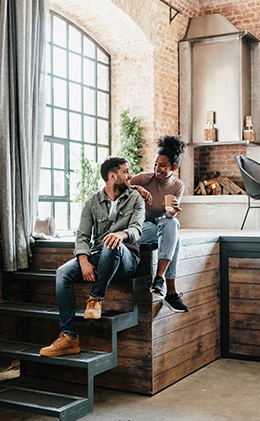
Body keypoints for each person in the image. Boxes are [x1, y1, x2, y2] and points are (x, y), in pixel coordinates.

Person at [39, 156, 145, 357]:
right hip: (99, 255)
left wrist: (120, 235)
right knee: (63, 272)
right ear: (112, 176)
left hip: (127, 258)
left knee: (112, 242)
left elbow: (137, 230)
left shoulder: (136, 198)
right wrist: (84, 261)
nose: (130, 175)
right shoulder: (92, 203)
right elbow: (83, 236)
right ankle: (69, 337)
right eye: (125, 171)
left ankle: (96, 298)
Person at [130, 134, 189, 313]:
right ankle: (170, 291)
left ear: (174, 167)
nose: (157, 168)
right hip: (140, 225)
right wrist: (136, 188)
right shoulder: (144, 179)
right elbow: (115, 187)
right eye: (156, 164)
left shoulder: (178, 185)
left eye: (162, 165)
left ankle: (159, 279)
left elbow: (169, 215)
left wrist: (172, 210)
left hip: (160, 223)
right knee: (175, 239)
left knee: (172, 224)